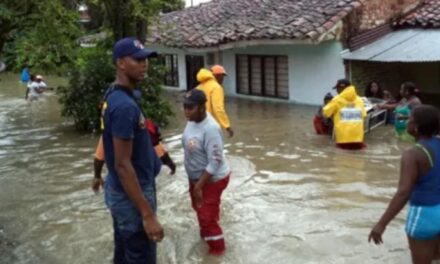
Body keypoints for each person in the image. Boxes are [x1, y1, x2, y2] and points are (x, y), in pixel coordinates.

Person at [101, 37, 164, 263]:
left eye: (145, 59)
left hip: (121, 190)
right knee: (140, 255)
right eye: (137, 59)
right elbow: (122, 164)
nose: (144, 64)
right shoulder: (124, 106)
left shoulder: (115, 94)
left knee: (125, 251)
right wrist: (147, 215)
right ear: (121, 63)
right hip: (132, 195)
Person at [369, 105, 440, 264]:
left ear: (416, 127)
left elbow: (403, 193)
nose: (406, 122)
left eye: (409, 119)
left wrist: (381, 224)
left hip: (424, 215)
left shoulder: (413, 154)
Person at [182, 89, 231, 255]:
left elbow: (215, 161)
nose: (186, 111)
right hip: (196, 179)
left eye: (191, 108)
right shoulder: (192, 120)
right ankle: (207, 237)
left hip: (211, 180)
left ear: (202, 108)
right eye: (185, 107)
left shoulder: (210, 128)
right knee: (201, 211)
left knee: (207, 218)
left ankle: (217, 253)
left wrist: (198, 186)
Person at [92, 118, 176, 192]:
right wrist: (172, 168)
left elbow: (99, 158)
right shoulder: (144, 130)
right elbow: (162, 155)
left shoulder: (109, 132)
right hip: (142, 182)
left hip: (118, 185)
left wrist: (97, 176)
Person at [323, 79, 367, 150]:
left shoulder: (337, 99)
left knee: (342, 159)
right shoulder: (359, 100)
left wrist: (334, 117)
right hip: (358, 138)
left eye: (337, 88)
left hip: (343, 138)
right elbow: (364, 116)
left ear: (341, 88)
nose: (336, 91)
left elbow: (325, 113)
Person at [195, 66, 234, 138]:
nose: (223, 79)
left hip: (197, 124)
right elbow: (218, 108)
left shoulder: (199, 87)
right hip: (209, 124)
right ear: (217, 75)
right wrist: (227, 126)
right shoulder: (216, 87)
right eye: (222, 76)